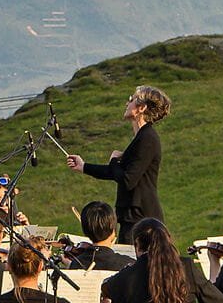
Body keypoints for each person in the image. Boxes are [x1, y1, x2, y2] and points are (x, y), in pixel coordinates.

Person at [65, 85, 168, 242]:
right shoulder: (142, 137)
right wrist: (84, 166)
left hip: (141, 219)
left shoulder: (147, 138)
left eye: (131, 100)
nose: (127, 104)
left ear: (141, 108)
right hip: (135, 216)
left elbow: (127, 180)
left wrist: (114, 159)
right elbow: (117, 173)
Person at [64, 201, 131, 271]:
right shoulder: (129, 264)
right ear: (113, 230)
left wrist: (70, 266)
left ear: (85, 231)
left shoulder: (76, 264)